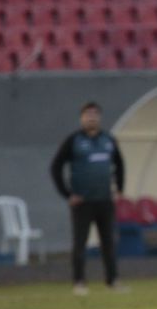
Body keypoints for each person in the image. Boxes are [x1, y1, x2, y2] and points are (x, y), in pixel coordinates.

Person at [50, 101, 125, 296]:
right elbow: (56, 167)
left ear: (99, 117)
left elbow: (120, 165)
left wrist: (119, 189)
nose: (91, 117)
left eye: (94, 114)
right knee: (80, 243)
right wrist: (67, 194)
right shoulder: (74, 141)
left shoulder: (108, 140)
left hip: (104, 200)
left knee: (108, 242)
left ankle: (113, 280)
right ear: (81, 118)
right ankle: (79, 282)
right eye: (87, 114)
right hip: (82, 201)